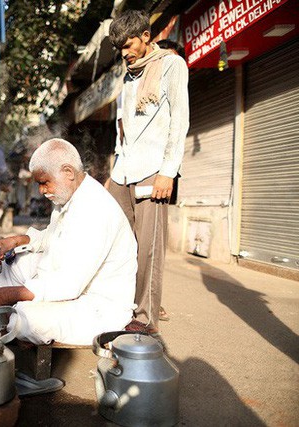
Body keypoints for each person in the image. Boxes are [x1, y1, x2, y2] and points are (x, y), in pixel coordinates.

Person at [0, 138, 137, 345]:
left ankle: (6, 319)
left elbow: (68, 285)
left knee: (24, 318)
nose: (42, 190)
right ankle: (0, 317)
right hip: (71, 283)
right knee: (11, 264)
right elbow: (51, 236)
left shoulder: (95, 211)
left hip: (97, 306)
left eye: (44, 182)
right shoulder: (71, 196)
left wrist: (4, 295)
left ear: (68, 172)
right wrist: (14, 241)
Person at [107, 11, 189, 334]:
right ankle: (119, 303)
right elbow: (121, 128)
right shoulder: (127, 76)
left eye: (128, 45)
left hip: (153, 171)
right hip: (124, 170)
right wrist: (114, 170)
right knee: (117, 240)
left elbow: (179, 122)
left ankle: (145, 318)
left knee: (149, 249)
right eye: (120, 49)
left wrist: (168, 172)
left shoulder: (171, 66)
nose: (125, 53)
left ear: (145, 35)